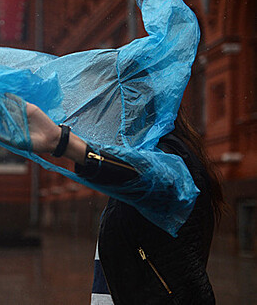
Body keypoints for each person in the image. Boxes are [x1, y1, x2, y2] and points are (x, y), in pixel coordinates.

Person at [25, 101, 224, 305]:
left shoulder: (168, 156)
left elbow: (156, 178)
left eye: (105, 108)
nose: (97, 121)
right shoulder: (144, 155)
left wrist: (63, 142)